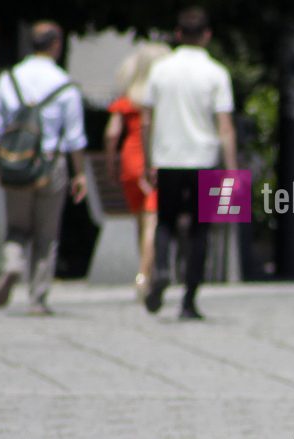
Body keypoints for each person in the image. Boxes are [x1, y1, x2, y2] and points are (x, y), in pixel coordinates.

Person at [141, 6, 237, 320]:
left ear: (178, 34)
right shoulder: (216, 73)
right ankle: (189, 301)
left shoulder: (159, 70)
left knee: (165, 219)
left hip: (167, 158)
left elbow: (145, 120)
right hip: (205, 160)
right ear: (206, 35)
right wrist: (232, 170)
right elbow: (224, 126)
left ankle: (161, 269)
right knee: (201, 230)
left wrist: (147, 161)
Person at [0, 20, 88, 315]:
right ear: (56, 44)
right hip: (50, 162)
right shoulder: (64, 84)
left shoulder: (10, 79)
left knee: (16, 227)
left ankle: (13, 264)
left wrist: (0, 163)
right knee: (47, 234)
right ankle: (38, 298)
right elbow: (75, 137)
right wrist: (79, 173)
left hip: (16, 162)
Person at [104, 42, 170, 299]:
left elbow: (111, 134)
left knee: (141, 220)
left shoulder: (128, 98)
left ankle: (145, 270)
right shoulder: (159, 98)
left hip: (128, 162)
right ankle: (145, 276)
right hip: (152, 159)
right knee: (153, 218)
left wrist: (112, 164)